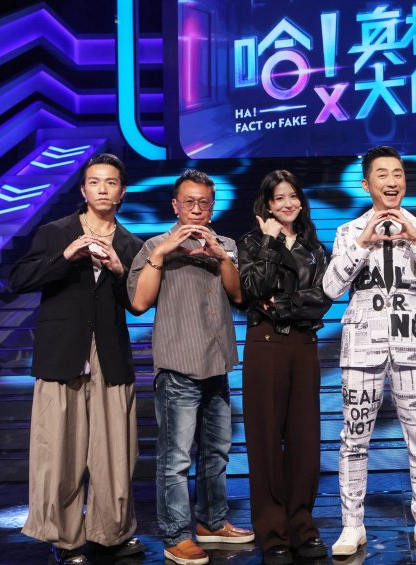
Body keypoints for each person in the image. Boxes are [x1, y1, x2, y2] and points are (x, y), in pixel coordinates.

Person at [9, 153, 146, 565]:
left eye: (111, 182)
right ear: (83, 189)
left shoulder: (131, 243)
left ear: (122, 192)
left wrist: (120, 270)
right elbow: (18, 279)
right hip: (63, 352)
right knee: (59, 451)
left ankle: (111, 533)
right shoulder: (56, 232)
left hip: (109, 355)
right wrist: (65, 256)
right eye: (95, 182)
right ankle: (65, 539)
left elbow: (138, 303)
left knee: (115, 452)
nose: (103, 189)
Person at [323, 145, 416, 556]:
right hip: (361, 348)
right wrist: (363, 242)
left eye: (397, 173)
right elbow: (331, 289)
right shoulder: (348, 232)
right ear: (366, 184)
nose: (392, 181)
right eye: (382, 174)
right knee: (354, 439)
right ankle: (352, 525)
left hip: (411, 346)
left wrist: (415, 239)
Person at [128, 169, 253, 565]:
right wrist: (162, 253)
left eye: (204, 203)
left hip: (217, 363)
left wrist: (220, 256)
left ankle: (212, 522)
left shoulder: (226, 245)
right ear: (175, 206)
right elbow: (139, 303)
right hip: (178, 366)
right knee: (176, 459)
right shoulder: (154, 245)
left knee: (217, 452)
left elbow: (238, 295)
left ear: (212, 208)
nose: (196, 210)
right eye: (189, 202)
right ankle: (175, 535)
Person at [236, 171, 332, 564]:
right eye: (279, 198)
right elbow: (253, 290)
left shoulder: (315, 248)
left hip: (304, 344)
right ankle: (272, 531)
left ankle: (303, 525)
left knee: (304, 440)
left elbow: (323, 297)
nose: (288, 203)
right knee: (264, 440)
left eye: (293, 196)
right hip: (265, 344)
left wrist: (285, 305)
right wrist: (271, 243)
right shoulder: (251, 243)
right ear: (267, 205)